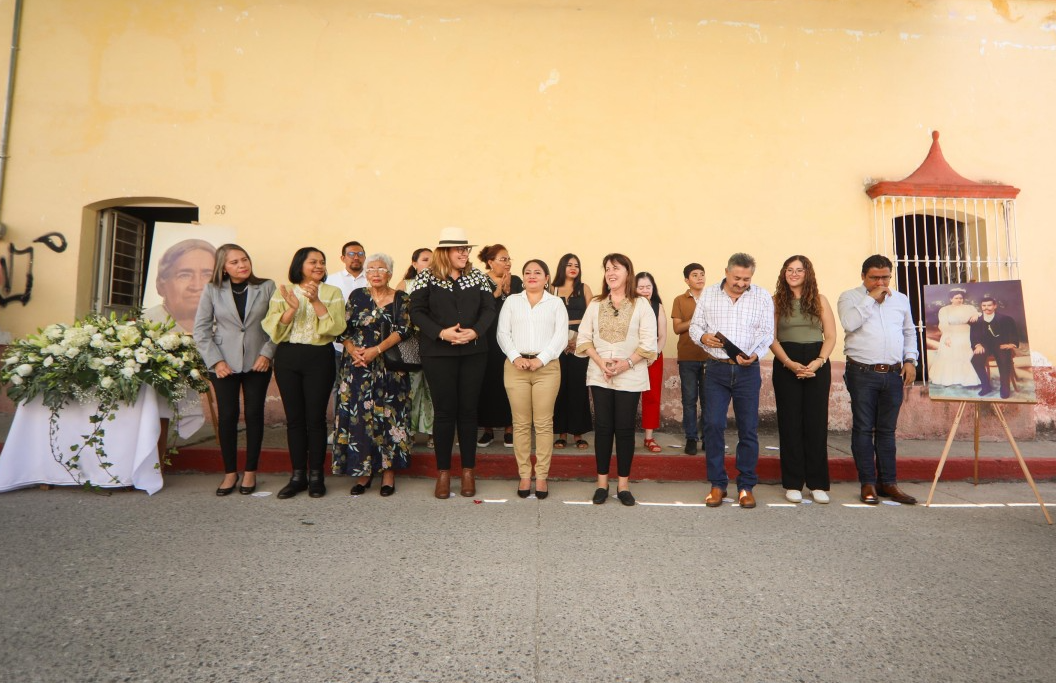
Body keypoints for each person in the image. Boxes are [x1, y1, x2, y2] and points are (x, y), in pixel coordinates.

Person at [409, 227, 497, 499]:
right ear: (444, 251)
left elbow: (489, 308)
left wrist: (476, 331)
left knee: (468, 411)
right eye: (459, 249)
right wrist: (441, 333)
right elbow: (416, 311)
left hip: (473, 352)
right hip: (438, 353)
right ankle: (444, 473)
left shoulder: (478, 277)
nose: (464, 253)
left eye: (466, 248)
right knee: (445, 412)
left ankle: (468, 472)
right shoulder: (426, 277)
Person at [689, 252, 774, 509]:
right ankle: (717, 484)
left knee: (748, 429)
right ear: (726, 272)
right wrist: (703, 338)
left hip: (748, 371)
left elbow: (767, 332)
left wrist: (756, 354)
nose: (741, 283)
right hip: (717, 369)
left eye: (746, 279)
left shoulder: (761, 296)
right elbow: (695, 326)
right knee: (713, 425)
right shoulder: (709, 294)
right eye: (736, 278)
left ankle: (746, 486)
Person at [263, 247, 347, 499]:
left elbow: (336, 328)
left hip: (319, 357)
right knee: (295, 419)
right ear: (300, 264)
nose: (319, 266)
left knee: (316, 419)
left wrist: (316, 301)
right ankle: (297, 476)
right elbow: (273, 329)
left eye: (322, 262)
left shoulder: (332, 292)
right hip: (288, 357)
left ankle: (316, 476)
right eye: (313, 262)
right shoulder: (284, 292)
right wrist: (291, 308)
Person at [193, 244, 276, 496]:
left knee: (254, 414)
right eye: (235, 262)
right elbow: (201, 330)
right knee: (228, 416)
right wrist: (216, 362)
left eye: (245, 259)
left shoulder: (267, 286)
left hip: (258, 361)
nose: (242, 265)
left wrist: (267, 353)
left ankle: (250, 471)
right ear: (224, 268)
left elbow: (279, 325)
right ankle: (230, 472)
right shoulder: (212, 290)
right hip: (223, 363)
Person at [575, 253, 657, 506]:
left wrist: (625, 364)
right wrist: (601, 363)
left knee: (624, 429)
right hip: (600, 374)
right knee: (602, 428)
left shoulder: (641, 304)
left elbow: (648, 343)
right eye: (607, 268)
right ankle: (602, 484)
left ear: (627, 273)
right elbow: (584, 338)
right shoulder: (596, 303)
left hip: (630, 374)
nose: (611, 272)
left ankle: (623, 485)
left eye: (616, 268)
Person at [837, 254, 919, 505]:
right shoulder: (850, 297)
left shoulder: (901, 299)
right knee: (863, 428)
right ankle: (868, 484)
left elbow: (909, 331)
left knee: (887, 430)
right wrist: (870, 299)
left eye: (885, 277)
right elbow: (849, 324)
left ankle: (888, 483)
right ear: (863, 276)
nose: (881, 282)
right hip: (862, 372)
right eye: (874, 278)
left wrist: (910, 360)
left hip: (893, 373)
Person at [332, 253, 412, 497]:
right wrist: (352, 350)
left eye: (381, 269)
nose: (375, 273)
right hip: (357, 367)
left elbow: (404, 330)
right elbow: (343, 329)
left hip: (389, 368)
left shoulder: (401, 298)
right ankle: (363, 472)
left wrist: (375, 350)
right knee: (360, 419)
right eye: (371, 269)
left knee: (390, 418)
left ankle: (388, 473)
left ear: (390, 273)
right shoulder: (357, 296)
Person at [496, 259, 568, 499]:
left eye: (538, 272)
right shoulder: (512, 302)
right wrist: (515, 357)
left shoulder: (556, 303)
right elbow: (502, 333)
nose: (532, 276)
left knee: (544, 423)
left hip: (546, 368)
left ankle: (542, 476)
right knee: (521, 423)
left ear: (546, 278)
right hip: (516, 367)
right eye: (527, 272)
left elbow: (561, 336)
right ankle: (525, 474)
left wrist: (541, 359)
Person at [768, 255, 836, 504]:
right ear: (783, 273)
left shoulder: (820, 300)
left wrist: (819, 361)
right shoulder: (776, 301)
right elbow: (771, 337)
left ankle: (817, 483)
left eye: (799, 270)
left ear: (808, 273)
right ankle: (793, 483)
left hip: (817, 362)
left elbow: (830, 336)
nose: (793, 274)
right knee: (790, 423)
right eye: (789, 270)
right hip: (786, 361)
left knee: (816, 423)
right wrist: (789, 363)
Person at [477, 244, 522, 448]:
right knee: (486, 382)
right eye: (503, 259)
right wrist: (496, 293)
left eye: (509, 259)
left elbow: (522, 308)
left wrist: (509, 292)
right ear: (490, 262)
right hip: (485, 338)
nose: (508, 263)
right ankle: (487, 430)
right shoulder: (479, 280)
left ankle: (509, 429)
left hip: (510, 341)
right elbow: (474, 307)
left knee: (508, 383)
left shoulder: (517, 281)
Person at [549, 253, 594, 450]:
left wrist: (578, 340)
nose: (573, 268)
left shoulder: (584, 288)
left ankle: (578, 434)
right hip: (557, 344)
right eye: (569, 265)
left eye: (576, 265)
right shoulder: (552, 289)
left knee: (578, 388)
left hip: (580, 342)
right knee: (559, 388)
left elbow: (592, 317)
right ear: (562, 267)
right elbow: (547, 318)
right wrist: (561, 341)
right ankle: (561, 434)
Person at [397, 248, 435, 448]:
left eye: (433, 260)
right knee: (411, 387)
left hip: (435, 341)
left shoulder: (441, 283)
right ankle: (409, 432)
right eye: (425, 259)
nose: (430, 264)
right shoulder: (406, 285)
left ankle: (433, 433)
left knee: (433, 388)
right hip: (411, 340)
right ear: (414, 263)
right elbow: (398, 315)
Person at [670, 263, 708, 455]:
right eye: (695, 275)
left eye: (702, 274)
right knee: (689, 399)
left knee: (709, 400)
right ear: (687, 280)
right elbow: (677, 328)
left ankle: (708, 438)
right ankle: (691, 438)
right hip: (687, 357)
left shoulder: (712, 298)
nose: (700, 278)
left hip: (710, 357)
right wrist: (697, 319)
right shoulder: (679, 300)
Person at [144, 238, 216, 333]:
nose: (197, 286)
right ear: (161, 284)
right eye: (184, 275)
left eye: (208, 275)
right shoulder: (141, 327)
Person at [635, 272, 667, 453]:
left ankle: (649, 437)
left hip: (653, 357)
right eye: (641, 287)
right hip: (630, 358)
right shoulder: (628, 306)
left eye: (648, 287)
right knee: (628, 396)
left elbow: (662, 335)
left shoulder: (657, 307)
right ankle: (625, 435)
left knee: (652, 397)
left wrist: (653, 354)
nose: (645, 290)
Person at [970, 295, 1021, 399]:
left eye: (989, 305)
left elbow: (1014, 334)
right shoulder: (977, 321)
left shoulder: (1005, 319)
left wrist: (1011, 344)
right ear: (981, 306)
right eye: (984, 306)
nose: (986, 308)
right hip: (985, 346)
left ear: (995, 306)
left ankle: (1005, 387)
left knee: (1004, 360)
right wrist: (977, 345)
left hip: (1001, 345)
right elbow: (973, 336)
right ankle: (986, 386)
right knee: (975, 360)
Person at [928, 288, 981, 387]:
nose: (959, 300)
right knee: (950, 354)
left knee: (965, 354)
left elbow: (978, 313)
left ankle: (967, 379)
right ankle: (950, 379)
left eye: (961, 298)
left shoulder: (969, 308)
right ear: (951, 299)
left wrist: (976, 315)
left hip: (965, 332)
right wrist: (947, 337)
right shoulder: (945, 310)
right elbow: (943, 324)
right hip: (950, 332)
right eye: (956, 298)